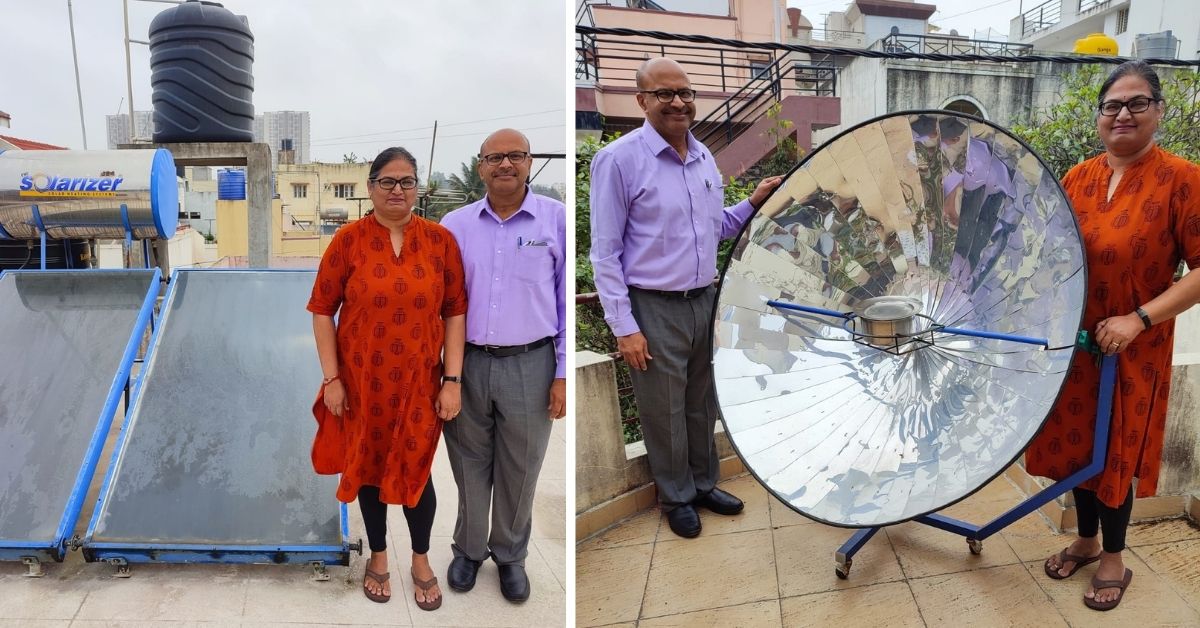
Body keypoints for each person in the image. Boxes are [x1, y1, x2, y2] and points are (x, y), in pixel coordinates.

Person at [1028, 60, 1200, 611]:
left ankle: (1113, 560)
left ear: (1158, 111)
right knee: (1080, 443)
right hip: (1076, 342)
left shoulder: (1183, 179)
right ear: (1100, 117)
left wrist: (1139, 320)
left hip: (1133, 346)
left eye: (1136, 103)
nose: (1122, 113)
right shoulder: (1078, 177)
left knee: (1117, 451)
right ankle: (1084, 538)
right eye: (1112, 105)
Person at [589, 57, 782, 538]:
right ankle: (675, 496)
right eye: (663, 94)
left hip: (704, 300)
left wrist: (753, 201)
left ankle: (702, 484)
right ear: (642, 101)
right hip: (652, 306)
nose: (678, 102)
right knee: (662, 408)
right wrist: (624, 327)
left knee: (700, 402)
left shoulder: (702, 157)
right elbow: (605, 253)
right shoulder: (619, 160)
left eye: (684, 92)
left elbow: (714, 229)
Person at [308, 146, 468, 611]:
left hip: (420, 383)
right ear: (370, 188)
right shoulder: (348, 241)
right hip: (361, 385)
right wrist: (332, 379)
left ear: (418, 187)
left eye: (407, 181)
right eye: (387, 181)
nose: (398, 190)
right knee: (370, 472)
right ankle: (378, 556)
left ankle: (419, 559)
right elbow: (322, 310)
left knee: (419, 472)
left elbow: (455, 312)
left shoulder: (440, 242)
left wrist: (452, 379)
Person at [439, 128, 566, 602]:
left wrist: (561, 376)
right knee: (469, 464)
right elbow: (441, 302)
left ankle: (510, 556)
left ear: (530, 162)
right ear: (480, 166)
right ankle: (469, 550)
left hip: (531, 364)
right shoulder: (455, 225)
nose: (505, 164)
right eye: (495, 157)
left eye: (515, 155)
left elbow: (563, 304)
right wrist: (445, 374)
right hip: (466, 363)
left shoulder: (554, 220)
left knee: (522, 465)